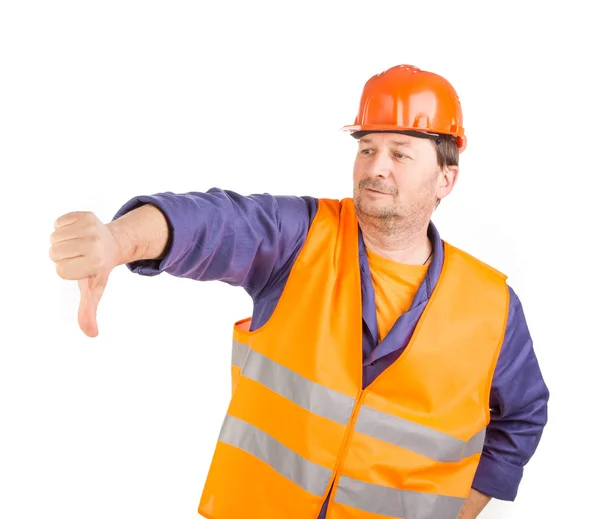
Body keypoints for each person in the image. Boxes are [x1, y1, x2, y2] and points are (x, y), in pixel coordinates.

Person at [49, 64, 549, 519]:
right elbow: (213, 223)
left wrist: (461, 511)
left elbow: (521, 417)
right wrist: (118, 240)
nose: (376, 167)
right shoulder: (300, 238)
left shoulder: (491, 305)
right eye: (367, 148)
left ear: (446, 178)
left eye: (400, 153)